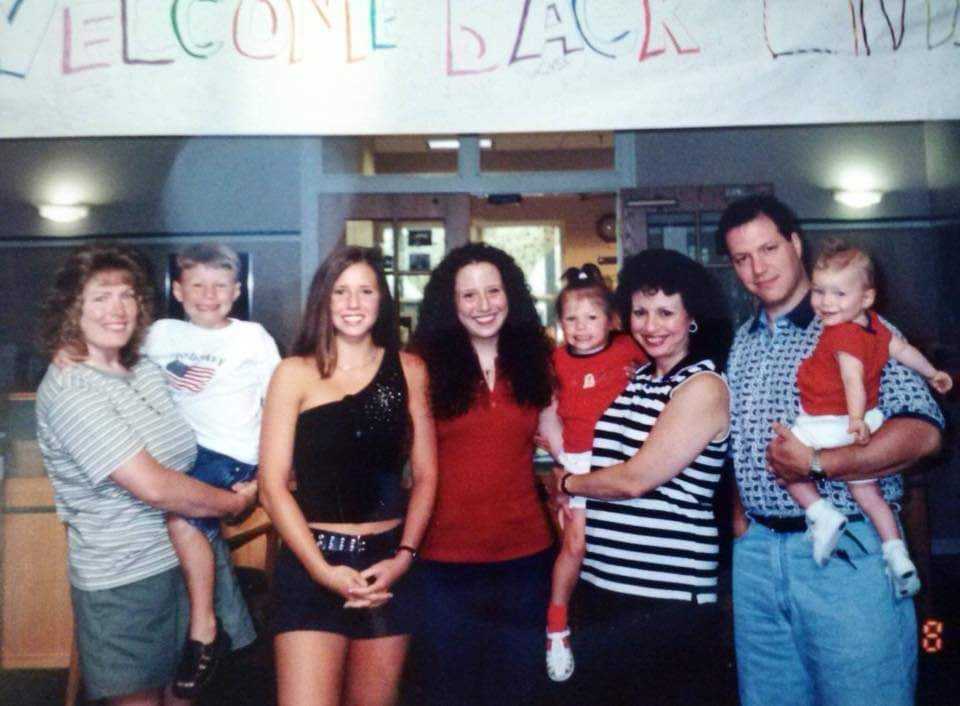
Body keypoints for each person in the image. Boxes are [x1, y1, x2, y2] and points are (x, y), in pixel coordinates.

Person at [719, 194, 944, 706]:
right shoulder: (743, 340)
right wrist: (741, 524)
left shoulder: (856, 325)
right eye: (742, 258)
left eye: (769, 248)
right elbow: (740, 441)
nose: (758, 268)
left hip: (845, 556)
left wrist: (821, 463)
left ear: (796, 244)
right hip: (758, 558)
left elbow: (924, 431)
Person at [35, 244, 258, 706]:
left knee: (187, 698)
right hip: (127, 581)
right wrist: (236, 502)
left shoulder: (144, 369)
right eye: (100, 297)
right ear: (72, 308)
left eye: (126, 295)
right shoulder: (71, 388)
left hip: (190, 564)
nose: (117, 309)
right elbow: (154, 486)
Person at [550, 248, 733, 705]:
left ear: (692, 317)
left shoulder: (703, 385)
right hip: (602, 585)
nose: (651, 325)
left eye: (666, 312)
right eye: (641, 312)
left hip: (666, 595)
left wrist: (568, 484)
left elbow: (637, 478)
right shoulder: (638, 379)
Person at [258, 246, 437, 706]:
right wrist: (321, 571)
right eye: (341, 291)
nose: (353, 303)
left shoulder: (410, 370)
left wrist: (403, 558)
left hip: (386, 571)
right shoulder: (293, 374)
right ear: (324, 299)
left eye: (365, 291)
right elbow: (272, 485)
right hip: (312, 562)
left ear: (382, 301)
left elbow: (427, 475)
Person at [408, 242, 555, 706]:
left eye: (493, 291)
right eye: (468, 295)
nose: (484, 305)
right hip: (442, 562)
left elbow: (560, 443)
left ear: (511, 294)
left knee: (517, 691)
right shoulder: (419, 364)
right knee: (449, 691)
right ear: (450, 304)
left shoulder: (539, 356)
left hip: (526, 558)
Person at [142, 243, 281, 697]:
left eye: (220, 285)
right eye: (197, 285)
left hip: (228, 455)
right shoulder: (159, 334)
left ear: (237, 291)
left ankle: (205, 629)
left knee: (181, 515)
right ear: (178, 291)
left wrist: (264, 477)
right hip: (174, 453)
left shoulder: (252, 338)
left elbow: (278, 407)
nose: (208, 295)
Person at [783, 238, 952, 590]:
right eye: (819, 291)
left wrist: (855, 420)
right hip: (868, 421)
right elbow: (903, 351)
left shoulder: (840, 335)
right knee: (868, 494)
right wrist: (932, 372)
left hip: (830, 423)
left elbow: (852, 380)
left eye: (839, 294)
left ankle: (821, 514)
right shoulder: (876, 326)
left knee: (783, 461)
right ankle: (896, 555)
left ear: (866, 297)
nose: (826, 302)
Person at [537, 263, 645, 682]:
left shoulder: (628, 349)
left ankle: (626, 628)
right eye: (571, 319)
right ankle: (557, 624)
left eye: (592, 318)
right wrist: (560, 459)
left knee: (627, 541)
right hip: (579, 461)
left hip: (625, 457)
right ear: (560, 323)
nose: (581, 328)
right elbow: (545, 415)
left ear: (610, 320)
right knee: (576, 545)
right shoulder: (555, 361)